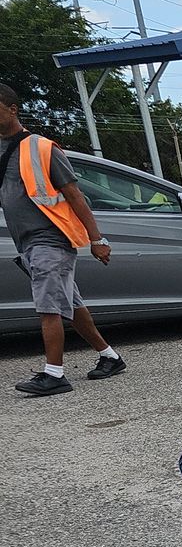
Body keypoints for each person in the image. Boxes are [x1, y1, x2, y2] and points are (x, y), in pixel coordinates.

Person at [0, 82, 124, 397]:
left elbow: (74, 194)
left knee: (48, 306)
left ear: (13, 109)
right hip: (27, 242)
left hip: (52, 239)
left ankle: (54, 374)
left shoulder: (41, 147)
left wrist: (97, 239)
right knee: (71, 304)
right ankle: (109, 356)